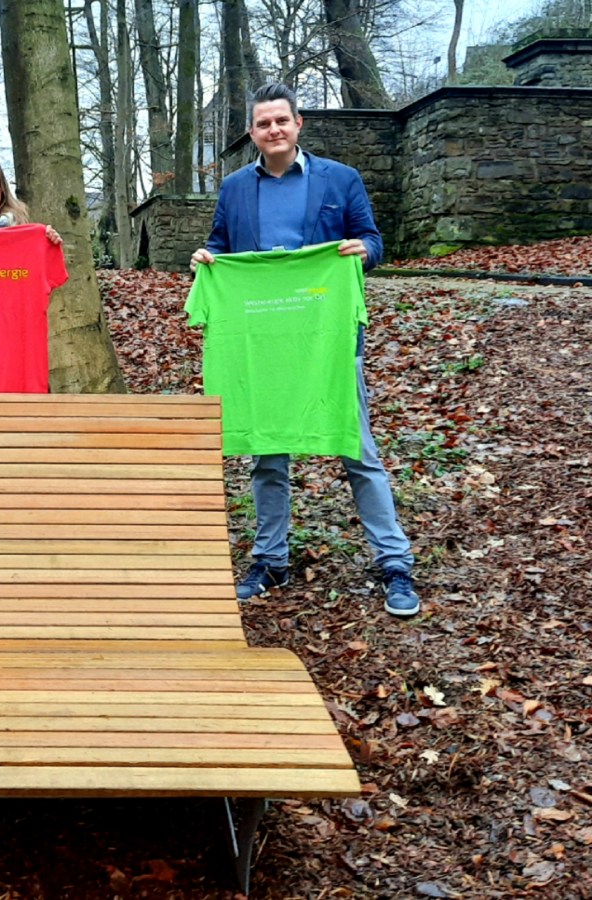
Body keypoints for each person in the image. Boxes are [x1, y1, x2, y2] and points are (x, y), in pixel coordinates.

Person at [190, 82, 420, 619]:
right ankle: (270, 560)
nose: (273, 129)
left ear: (299, 124)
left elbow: (374, 240)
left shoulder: (341, 179)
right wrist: (209, 257)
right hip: (262, 342)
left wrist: (364, 250)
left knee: (357, 449)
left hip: (328, 342)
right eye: (263, 123)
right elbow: (222, 244)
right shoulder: (234, 189)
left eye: (281, 121)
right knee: (267, 455)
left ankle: (395, 563)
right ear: (252, 132)